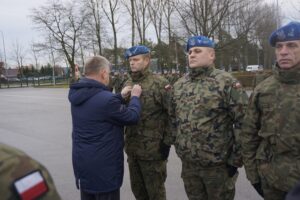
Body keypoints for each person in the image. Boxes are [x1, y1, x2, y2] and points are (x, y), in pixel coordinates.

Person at [169, 35, 248, 200]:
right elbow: (173, 119)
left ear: (211, 55)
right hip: (189, 166)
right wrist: (179, 146)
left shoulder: (226, 82)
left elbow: (244, 122)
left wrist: (235, 160)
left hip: (218, 167)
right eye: (190, 52)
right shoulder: (179, 85)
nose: (191, 55)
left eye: (197, 51)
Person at [68, 55, 142, 200]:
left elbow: (97, 108)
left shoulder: (77, 94)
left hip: (84, 165)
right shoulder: (106, 100)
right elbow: (132, 117)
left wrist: (119, 97)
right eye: (108, 73)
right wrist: (134, 97)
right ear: (103, 73)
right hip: (104, 171)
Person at [241, 21, 300, 200]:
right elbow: (249, 136)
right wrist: (254, 177)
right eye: (279, 47)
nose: (283, 51)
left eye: (292, 46)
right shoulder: (263, 89)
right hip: (272, 181)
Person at [123, 45, 172, 200]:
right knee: (138, 192)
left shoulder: (159, 83)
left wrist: (167, 143)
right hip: (132, 150)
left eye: (136, 59)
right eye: (130, 60)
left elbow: (173, 115)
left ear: (147, 60)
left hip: (153, 152)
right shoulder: (126, 83)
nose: (132, 63)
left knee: (156, 193)